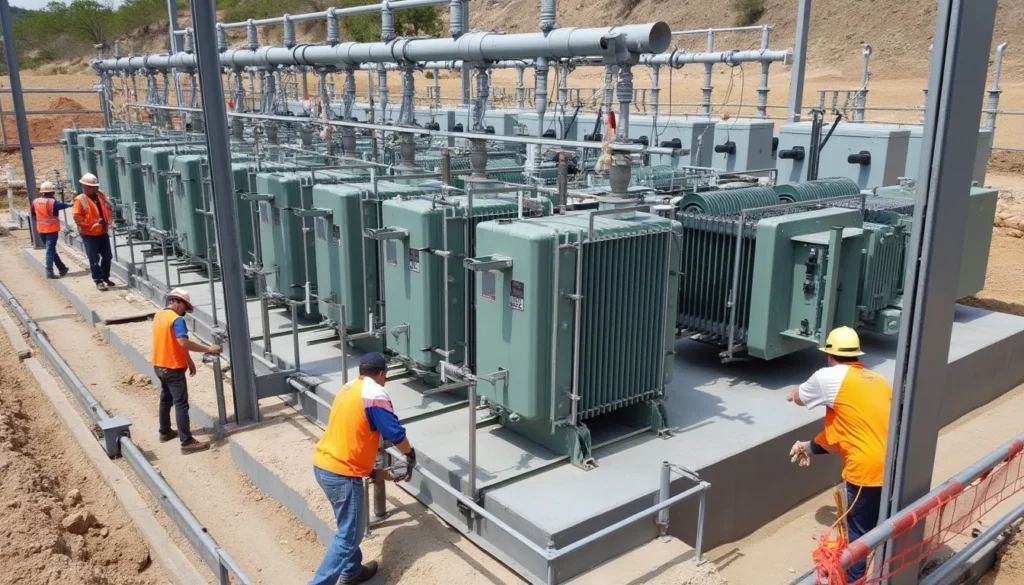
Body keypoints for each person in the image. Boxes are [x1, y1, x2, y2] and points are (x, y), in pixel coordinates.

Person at [787, 326, 893, 583]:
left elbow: (800, 397)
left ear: (829, 355)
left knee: (858, 534)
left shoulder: (828, 376)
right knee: (883, 525)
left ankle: (853, 582)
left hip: (866, 470)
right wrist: (808, 447)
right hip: (892, 464)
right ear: (857, 355)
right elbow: (839, 441)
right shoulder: (876, 380)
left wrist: (792, 392)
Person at [309, 352, 417, 585]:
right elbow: (394, 433)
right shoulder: (375, 393)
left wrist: (375, 472)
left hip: (324, 465)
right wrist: (409, 453)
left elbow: (350, 435)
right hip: (342, 475)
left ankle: (352, 571)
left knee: (348, 523)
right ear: (381, 374)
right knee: (349, 536)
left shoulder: (348, 388)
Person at [151, 288, 221, 454]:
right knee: (181, 404)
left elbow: (171, 342)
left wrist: (188, 360)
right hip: (173, 368)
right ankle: (187, 442)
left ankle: (165, 431)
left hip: (159, 365)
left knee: (166, 398)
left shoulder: (159, 316)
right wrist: (209, 349)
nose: (185, 311)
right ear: (177, 302)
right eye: (185, 307)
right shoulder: (176, 320)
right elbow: (182, 342)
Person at [72, 172, 115, 291]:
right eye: (91, 187)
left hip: (102, 231)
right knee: (94, 259)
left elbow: (108, 208)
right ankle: (98, 280)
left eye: (95, 187)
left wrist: (108, 221)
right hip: (89, 234)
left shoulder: (101, 195)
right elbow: (77, 218)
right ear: (84, 187)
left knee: (107, 257)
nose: (93, 189)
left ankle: (105, 277)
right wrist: (93, 225)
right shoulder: (80, 200)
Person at [32, 181, 72, 279]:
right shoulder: (52, 202)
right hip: (51, 230)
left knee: (51, 250)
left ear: (42, 192)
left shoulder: (36, 201)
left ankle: (62, 268)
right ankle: (49, 272)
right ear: (52, 192)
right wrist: (71, 204)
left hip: (41, 229)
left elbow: (33, 214)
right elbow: (63, 205)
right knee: (50, 251)